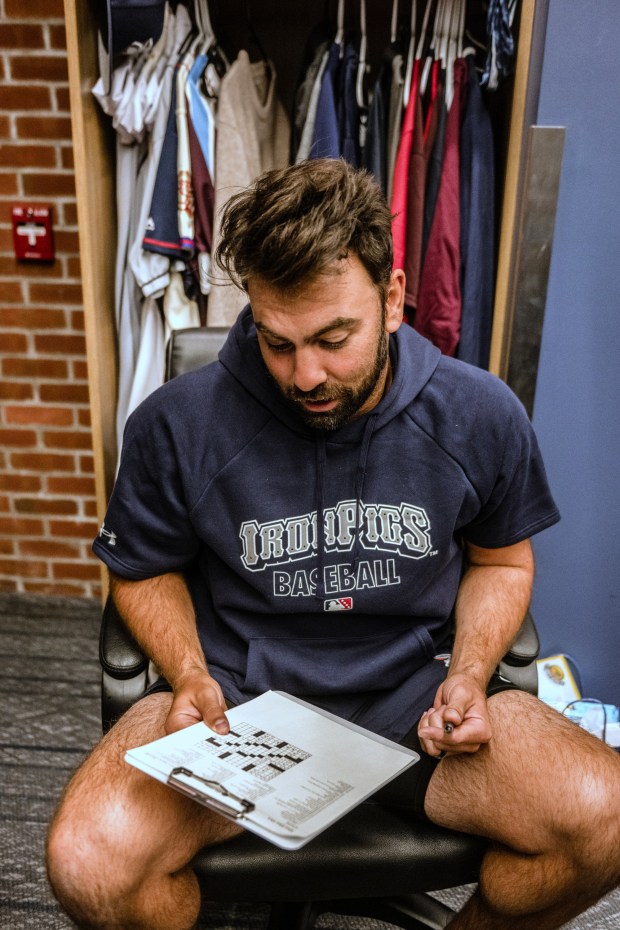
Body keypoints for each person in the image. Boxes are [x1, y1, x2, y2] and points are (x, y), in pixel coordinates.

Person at [46, 159, 620, 930]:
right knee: (91, 864)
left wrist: (474, 677)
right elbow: (143, 572)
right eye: (276, 341)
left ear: (392, 298)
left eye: (332, 338)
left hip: (416, 702)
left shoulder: (480, 414)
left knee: (605, 816)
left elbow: (500, 559)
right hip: (237, 707)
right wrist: (185, 674)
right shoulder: (176, 424)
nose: (304, 373)